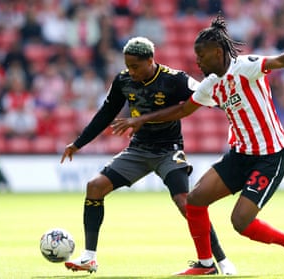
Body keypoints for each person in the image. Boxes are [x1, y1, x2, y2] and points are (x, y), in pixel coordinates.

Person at [112, 14, 284, 275]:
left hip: (269, 156)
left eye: (201, 56)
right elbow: (183, 110)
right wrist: (143, 119)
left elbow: (279, 60)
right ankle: (206, 264)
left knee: (240, 222)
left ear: (217, 52)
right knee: (194, 200)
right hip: (239, 155)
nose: (198, 62)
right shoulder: (210, 85)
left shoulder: (246, 66)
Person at [60, 37, 236, 275]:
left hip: (169, 149)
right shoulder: (123, 81)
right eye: (128, 66)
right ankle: (89, 258)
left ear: (150, 60)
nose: (130, 72)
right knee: (95, 187)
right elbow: (106, 113)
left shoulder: (175, 79)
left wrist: (233, 105)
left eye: (135, 66)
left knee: (187, 203)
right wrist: (78, 143)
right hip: (139, 150)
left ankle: (221, 262)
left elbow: (208, 97)